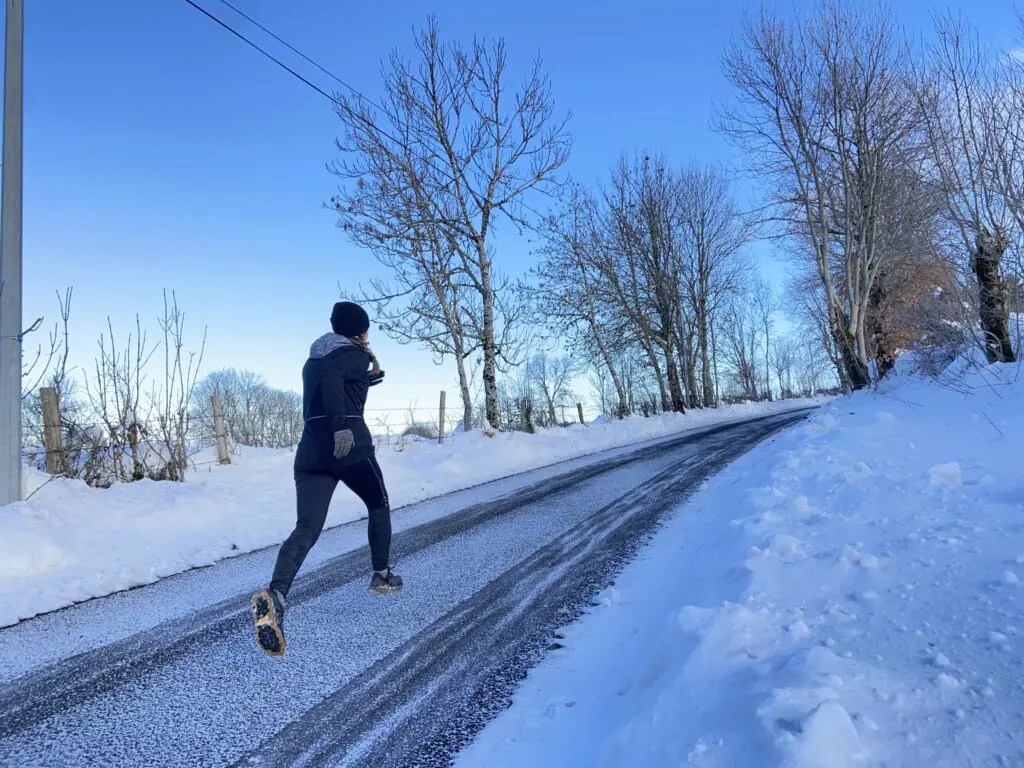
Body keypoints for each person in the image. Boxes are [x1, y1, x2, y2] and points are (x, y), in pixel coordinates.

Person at [250, 301, 402, 656]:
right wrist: (341, 428)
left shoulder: (315, 358)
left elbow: (331, 384)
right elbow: (337, 383)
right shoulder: (354, 354)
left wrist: (368, 381)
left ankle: (276, 595)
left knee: (307, 528)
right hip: (348, 448)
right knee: (378, 506)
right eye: (366, 328)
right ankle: (381, 575)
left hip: (310, 454)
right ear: (359, 331)